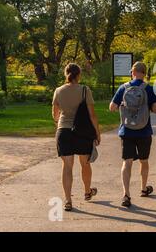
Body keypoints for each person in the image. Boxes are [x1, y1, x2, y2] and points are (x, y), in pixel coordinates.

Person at [109, 62, 156, 207]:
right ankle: (143, 189)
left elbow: (112, 108)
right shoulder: (149, 89)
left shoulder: (123, 88)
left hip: (126, 130)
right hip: (144, 131)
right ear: (144, 73)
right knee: (144, 161)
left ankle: (126, 195)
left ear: (132, 72)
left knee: (127, 162)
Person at [52, 63, 101, 212]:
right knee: (85, 163)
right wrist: (97, 133)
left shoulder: (58, 91)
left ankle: (68, 200)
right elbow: (92, 115)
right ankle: (87, 192)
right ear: (79, 75)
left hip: (64, 131)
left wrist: (62, 121)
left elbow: (55, 115)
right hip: (82, 132)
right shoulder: (85, 90)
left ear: (65, 74)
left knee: (67, 166)